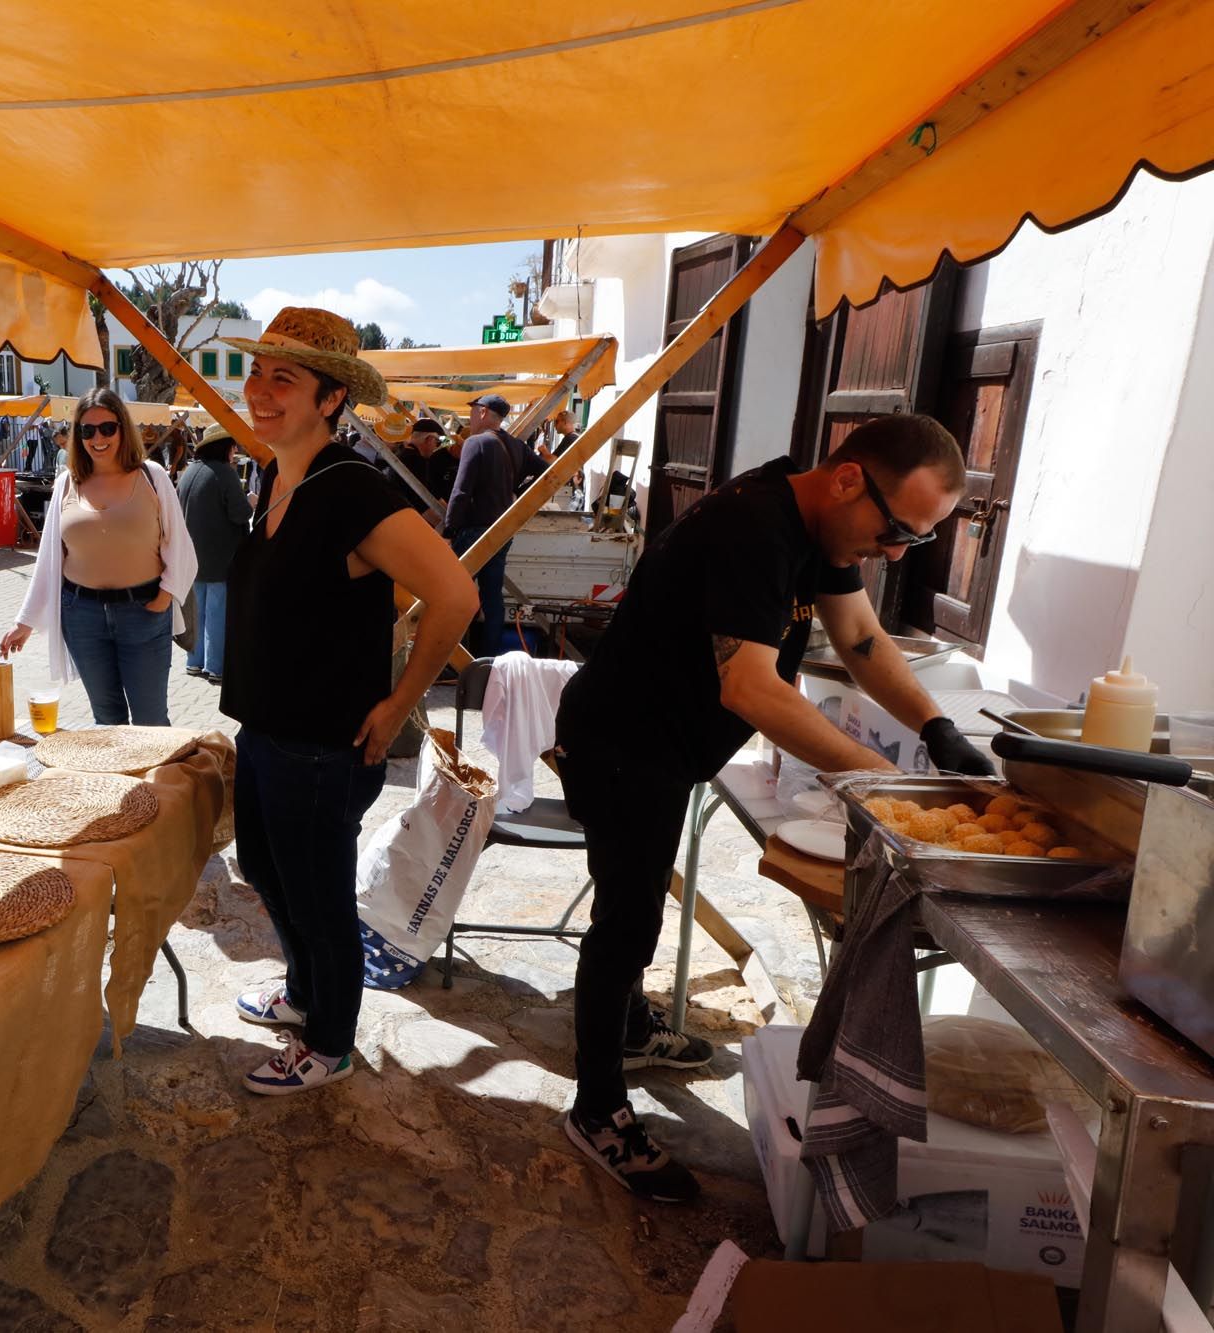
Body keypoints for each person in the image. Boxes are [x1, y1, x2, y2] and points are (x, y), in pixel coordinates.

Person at [555, 413, 995, 1202]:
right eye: (896, 530)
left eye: (916, 542)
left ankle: (624, 1026)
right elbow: (750, 687)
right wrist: (881, 785)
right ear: (849, 477)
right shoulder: (751, 530)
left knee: (637, 895)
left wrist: (937, 726)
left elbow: (860, 639)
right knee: (626, 922)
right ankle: (596, 1109)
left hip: (663, 743)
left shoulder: (819, 527)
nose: (895, 553)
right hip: (622, 744)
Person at [215, 307, 476, 1095]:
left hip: (323, 744)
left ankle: (329, 1043)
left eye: (283, 379)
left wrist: (399, 702)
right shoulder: (273, 475)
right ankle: (302, 995)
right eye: (257, 373)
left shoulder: (352, 486)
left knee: (320, 898)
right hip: (266, 727)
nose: (260, 391)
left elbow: (455, 595)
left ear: (331, 400)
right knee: (266, 867)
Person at [0, 387, 195, 726]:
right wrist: (25, 621)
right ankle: (112, 782)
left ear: (122, 428)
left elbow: (180, 546)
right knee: (107, 720)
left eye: (107, 428)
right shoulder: (66, 483)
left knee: (151, 721)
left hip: (144, 611)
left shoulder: (152, 476)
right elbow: (49, 558)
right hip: (82, 617)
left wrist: (165, 596)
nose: (98, 438)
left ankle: (158, 781)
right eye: (87, 430)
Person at [444, 393, 536, 655]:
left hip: (472, 530)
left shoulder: (476, 442)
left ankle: (449, 657)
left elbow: (460, 492)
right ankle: (488, 658)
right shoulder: (517, 446)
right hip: (502, 530)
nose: (471, 417)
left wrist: (449, 531)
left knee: (452, 595)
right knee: (492, 597)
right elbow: (546, 471)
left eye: (473, 411)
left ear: (483, 412)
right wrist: (516, 491)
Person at [174, 425, 251, 685]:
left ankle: (194, 662)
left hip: (191, 558)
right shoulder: (224, 474)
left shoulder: (188, 473)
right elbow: (241, 514)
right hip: (220, 558)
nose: (235, 450)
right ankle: (216, 667)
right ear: (224, 447)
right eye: (232, 445)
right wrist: (250, 502)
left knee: (197, 614)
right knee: (217, 614)